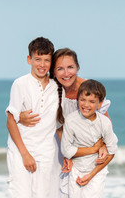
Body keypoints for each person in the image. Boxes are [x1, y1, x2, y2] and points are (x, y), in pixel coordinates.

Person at [19, 48, 111, 197]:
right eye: (60, 69)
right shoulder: (50, 89)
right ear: (53, 72)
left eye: (70, 67)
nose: (66, 73)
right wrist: (19, 116)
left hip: (86, 152)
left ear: (78, 67)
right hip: (59, 148)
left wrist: (103, 145)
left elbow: (105, 121)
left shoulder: (88, 89)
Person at [6, 37, 64, 198]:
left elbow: (60, 125)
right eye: (38, 59)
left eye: (47, 60)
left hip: (45, 153)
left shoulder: (57, 86)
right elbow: (10, 121)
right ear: (29, 59)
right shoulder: (20, 84)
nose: (42, 64)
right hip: (20, 151)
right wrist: (25, 154)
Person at [61, 79, 118, 197]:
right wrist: (93, 149)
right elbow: (66, 150)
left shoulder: (104, 122)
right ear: (78, 100)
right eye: (82, 100)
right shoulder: (71, 121)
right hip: (76, 170)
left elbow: (112, 151)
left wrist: (91, 175)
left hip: (97, 171)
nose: (86, 105)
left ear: (100, 104)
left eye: (92, 101)